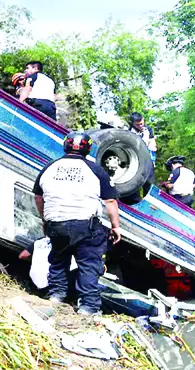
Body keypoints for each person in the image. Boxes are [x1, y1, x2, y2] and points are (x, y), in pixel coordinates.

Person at [33, 131, 121, 315]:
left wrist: (45, 220)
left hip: (56, 224)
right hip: (85, 226)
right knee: (88, 264)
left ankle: (56, 296)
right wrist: (115, 227)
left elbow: (39, 197)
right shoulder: (96, 170)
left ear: (65, 146)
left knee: (58, 260)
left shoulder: (50, 167)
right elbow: (110, 201)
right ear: (88, 149)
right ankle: (87, 307)